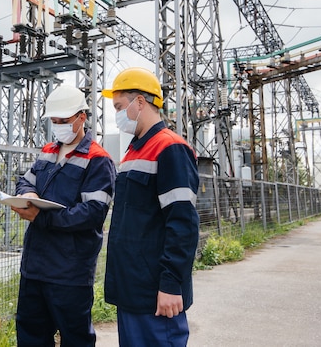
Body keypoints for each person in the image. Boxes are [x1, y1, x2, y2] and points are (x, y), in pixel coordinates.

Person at [11, 84, 116, 347]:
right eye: (54, 121)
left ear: (82, 117)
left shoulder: (98, 159)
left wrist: (40, 217)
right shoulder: (48, 152)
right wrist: (29, 196)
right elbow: (25, 182)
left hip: (70, 271)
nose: (58, 126)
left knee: (75, 338)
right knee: (31, 335)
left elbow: (92, 213)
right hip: (35, 267)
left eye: (63, 121)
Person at [101, 67, 200, 347]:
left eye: (120, 107)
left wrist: (171, 284)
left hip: (156, 294)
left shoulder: (169, 148)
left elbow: (182, 224)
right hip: (132, 290)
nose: (118, 115)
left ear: (141, 102)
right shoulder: (134, 150)